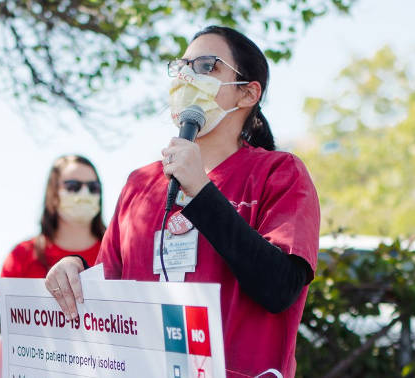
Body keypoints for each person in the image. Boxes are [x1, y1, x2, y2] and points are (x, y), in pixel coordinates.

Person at [44, 26, 320, 378]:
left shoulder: (280, 173)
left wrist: (202, 192)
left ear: (248, 93)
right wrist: (76, 268)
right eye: (182, 67)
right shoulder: (140, 184)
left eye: (207, 66)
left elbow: (279, 289)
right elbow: (110, 295)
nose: (188, 77)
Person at [0, 154, 106, 336]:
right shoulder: (22, 255)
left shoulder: (117, 252)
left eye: (93, 187)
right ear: (53, 193)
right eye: (73, 187)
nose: (85, 194)